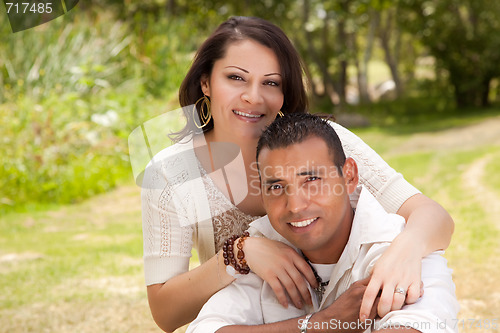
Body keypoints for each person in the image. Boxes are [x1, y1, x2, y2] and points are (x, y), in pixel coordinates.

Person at [140, 16, 455, 333]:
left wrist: (405, 250)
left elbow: (432, 215)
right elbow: (166, 315)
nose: (254, 96)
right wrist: (240, 253)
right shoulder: (171, 174)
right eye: (236, 78)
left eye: (271, 82)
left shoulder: (321, 141)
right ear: (206, 82)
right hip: (251, 319)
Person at [186, 113, 459, 333]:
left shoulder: (403, 256)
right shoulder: (263, 250)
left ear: (349, 176)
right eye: (277, 187)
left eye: (312, 180)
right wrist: (320, 325)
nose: (295, 206)